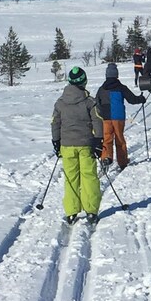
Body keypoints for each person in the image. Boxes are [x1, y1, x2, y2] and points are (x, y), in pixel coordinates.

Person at [51, 65, 104, 223]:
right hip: (85, 145)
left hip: (67, 146)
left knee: (71, 177)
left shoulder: (60, 102)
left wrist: (56, 141)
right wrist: (98, 140)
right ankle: (91, 209)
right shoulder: (89, 101)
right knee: (89, 176)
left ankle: (72, 210)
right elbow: (98, 120)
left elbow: (55, 123)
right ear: (83, 82)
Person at [95, 61, 146, 170]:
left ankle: (106, 158)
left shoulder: (101, 89)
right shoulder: (122, 87)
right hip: (118, 117)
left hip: (106, 117)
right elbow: (132, 99)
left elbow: (97, 103)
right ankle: (122, 161)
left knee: (107, 138)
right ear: (116, 75)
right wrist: (141, 99)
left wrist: (101, 113)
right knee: (119, 138)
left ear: (106, 75)